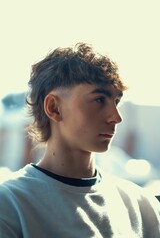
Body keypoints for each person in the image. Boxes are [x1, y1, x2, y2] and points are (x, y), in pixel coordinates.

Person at [0, 43, 160, 238]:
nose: (116, 117)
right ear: (54, 108)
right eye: (100, 99)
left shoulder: (141, 206)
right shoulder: (10, 205)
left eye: (116, 102)